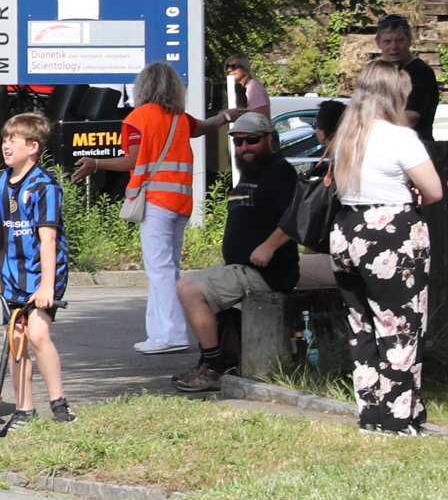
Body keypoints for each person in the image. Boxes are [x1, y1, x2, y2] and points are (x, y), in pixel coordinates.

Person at [69, 61, 238, 354]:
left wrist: (97, 163)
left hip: (156, 202)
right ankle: (162, 332)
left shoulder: (136, 119)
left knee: (160, 270)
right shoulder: (180, 118)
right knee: (168, 268)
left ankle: (170, 335)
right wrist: (226, 116)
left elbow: (133, 160)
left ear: (143, 87)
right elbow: (205, 127)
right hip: (181, 202)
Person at [327, 60, 442, 434]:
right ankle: (398, 417)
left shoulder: (347, 136)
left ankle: (371, 413)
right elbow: (434, 190)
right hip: (391, 233)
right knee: (400, 325)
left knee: (361, 325)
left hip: (347, 231)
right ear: (395, 94)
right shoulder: (399, 137)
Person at [171, 112, 299, 393]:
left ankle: (216, 368)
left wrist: (269, 246)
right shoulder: (251, 173)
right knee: (191, 288)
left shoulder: (280, 172)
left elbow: (297, 217)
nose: (244, 147)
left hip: (268, 271)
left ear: (269, 139)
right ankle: (213, 362)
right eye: (238, 142)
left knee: (189, 289)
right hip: (242, 267)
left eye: (252, 140)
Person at [0, 112, 74, 426]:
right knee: (15, 339)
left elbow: (48, 238)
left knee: (38, 335)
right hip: (12, 275)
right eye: (5, 139)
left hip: (43, 273)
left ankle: (59, 404)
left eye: (13, 140)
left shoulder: (45, 186)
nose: (6, 145)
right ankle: (24, 409)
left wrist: (46, 286)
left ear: (33, 147)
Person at [288, 99, 348, 291]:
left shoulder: (338, 166)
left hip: (341, 259)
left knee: (278, 273)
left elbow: (318, 222)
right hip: (352, 253)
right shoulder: (353, 158)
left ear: (322, 131)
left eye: (315, 125)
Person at [373, 13, 441, 146]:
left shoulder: (421, 72)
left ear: (409, 40)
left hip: (415, 147)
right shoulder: (376, 72)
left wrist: (374, 134)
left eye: (399, 40)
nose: (394, 46)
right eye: (387, 41)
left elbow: (411, 117)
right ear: (378, 43)